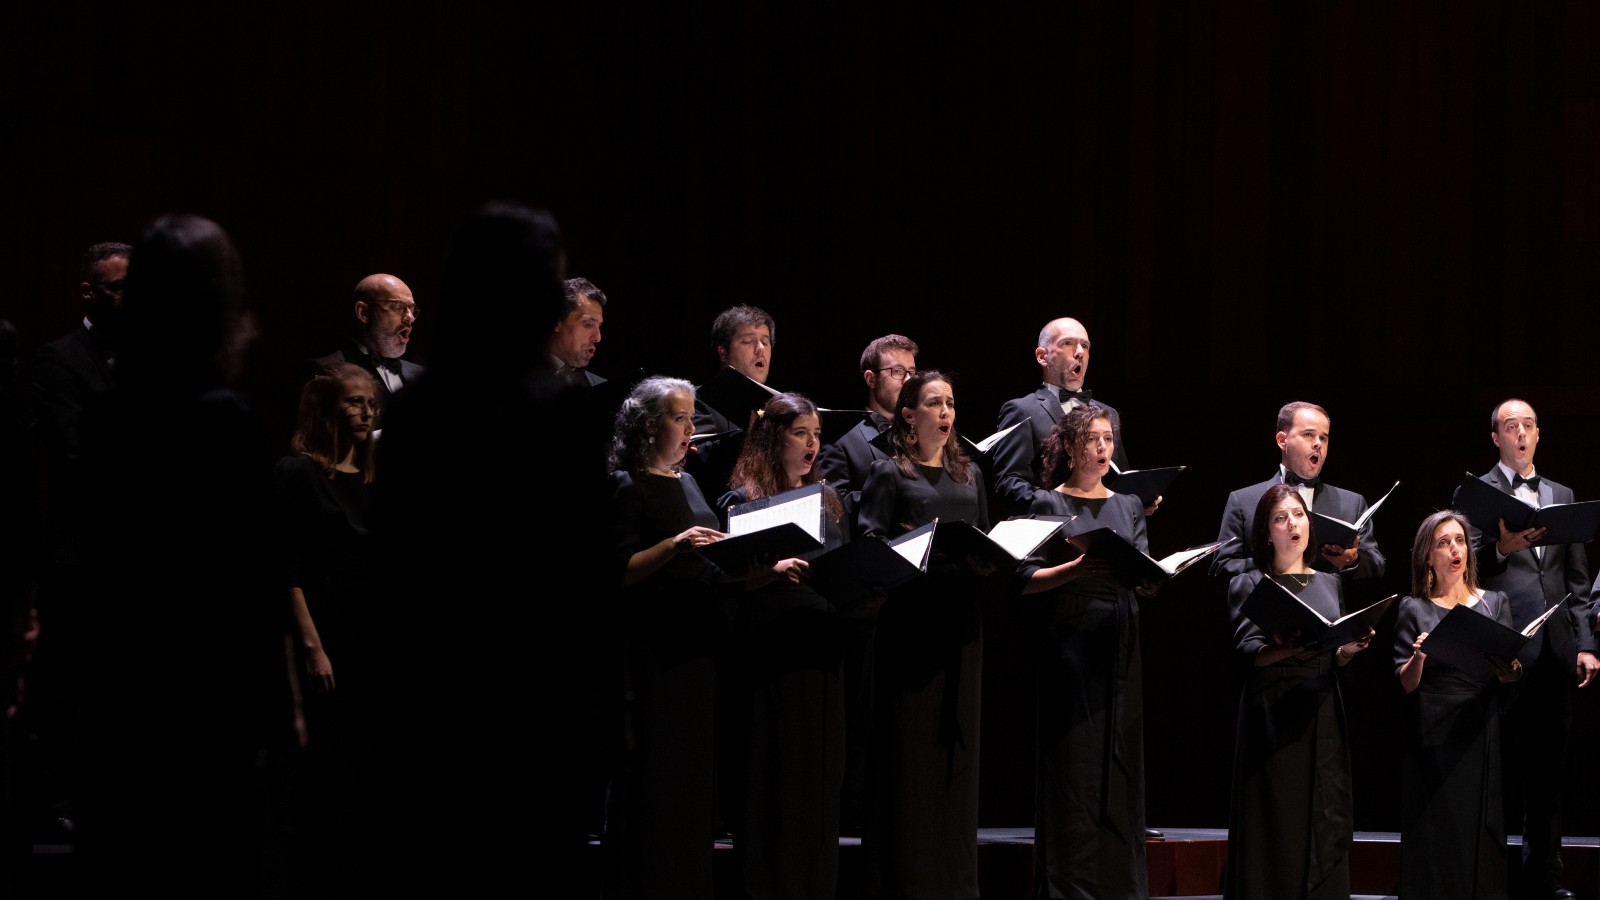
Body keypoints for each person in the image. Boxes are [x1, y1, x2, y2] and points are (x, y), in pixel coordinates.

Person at [76, 214, 293, 896]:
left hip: (124, 691)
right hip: (208, 701)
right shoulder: (224, 417)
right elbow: (254, 580)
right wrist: (277, 708)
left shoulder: (107, 415)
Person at [602, 374, 780, 898]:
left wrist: (760, 570)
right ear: (648, 425)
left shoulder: (688, 481)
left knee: (690, 783)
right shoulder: (626, 483)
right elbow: (617, 572)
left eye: (690, 418)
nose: (689, 428)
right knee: (654, 779)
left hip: (701, 644)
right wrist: (674, 546)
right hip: (655, 649)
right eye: (679, 418)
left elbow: (709, 562)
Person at [856, 370, 993, 900]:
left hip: (959, 622)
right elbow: (869, 542)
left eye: (951, 403)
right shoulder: (890, 472)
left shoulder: (969, 475)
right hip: (910, 624)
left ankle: (953, 882)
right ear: (907, 415)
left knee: (956, 748)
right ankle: (906, 879)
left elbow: (981, 536)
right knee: (911, 753)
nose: (946, 413)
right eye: (934, 403)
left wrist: (985, 562)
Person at [1454, 399, 1598, 900]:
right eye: (1509, 426)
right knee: (1498, 769)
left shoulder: (1561, 494)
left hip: (1556, 653)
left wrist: (1586, 644)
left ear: (1539, 434)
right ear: (1495, 437)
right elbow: (1457, 561)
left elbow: (1577, 581)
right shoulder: (1476, 493)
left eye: (1528, 425)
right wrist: (1500, 550)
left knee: (1547, 773)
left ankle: (1544, 877)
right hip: (1500, 651)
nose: (1520, 433)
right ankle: (1491, 877)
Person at [717, 393, 851, 900]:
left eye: (817, 434)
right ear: (774, 439)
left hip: (821, 652)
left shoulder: (829, 499)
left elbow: (840, 567)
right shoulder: (743, 500)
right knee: (770, 778)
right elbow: (724, 578)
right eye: (801, 433)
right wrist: (764, 572)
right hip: (769, 654)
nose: (813, 443)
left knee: (817, 786)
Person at [1016, 402, 1151, 898]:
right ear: (1070, 447)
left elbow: (1141, 569)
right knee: (1072, 761)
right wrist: (1071, 571)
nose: (1101, 448)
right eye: (1091, 439)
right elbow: (1023, 580)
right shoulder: (1047, 502)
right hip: (1069, 636)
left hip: (1119, 636)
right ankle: (1068, 886)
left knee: (1120, 757)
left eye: (1108, 439)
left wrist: (1152, 580)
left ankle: (1120, 884)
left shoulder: (1129, 504)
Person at [24, 240, 129, 844]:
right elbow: (72, 456)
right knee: (72, 684)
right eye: (120, 287)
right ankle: (62, 798)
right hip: (84, 552)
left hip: (141, 552)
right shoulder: (59, 360)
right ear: (90, 292)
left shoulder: (158, 358)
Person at [1222, 484, 1372, 900]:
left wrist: (1349, 648)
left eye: (1299, 515)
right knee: (1275, 822)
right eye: (1281, 518)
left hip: (1321, 707)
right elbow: (1247, 653)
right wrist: (1285, 648)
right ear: (1266, 532)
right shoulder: (1248, 581)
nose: (1293, 524)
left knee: (1323, 814)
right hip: (1272, 711)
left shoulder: (1330, 582)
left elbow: (1335, 653)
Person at [274, 361, 378, 898]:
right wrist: (313, 648)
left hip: (372, 636)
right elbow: (286, 573)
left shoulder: (375, 477)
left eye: (370, 402)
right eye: (354, 402)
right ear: (326, 407)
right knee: (323, 770)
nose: (366, 412)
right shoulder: (299, 474)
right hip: (326, 632)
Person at [814, 332, 917, 834]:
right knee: (860, 716)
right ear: (872, 379)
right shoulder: (847, 441)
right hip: (868, 594)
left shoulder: (923, 438)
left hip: (912, 597)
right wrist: (888, 500)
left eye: (912, 373)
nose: (907, 381)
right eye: (897, 372)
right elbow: (834, 507)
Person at [1394, 510, 1522, 900]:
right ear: (1428, 557)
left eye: (1460, 540)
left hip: (1479, 727)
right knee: (1437, 834)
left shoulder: (1495, 603)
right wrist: (1419, 657)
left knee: (1476, 830)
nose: (1455, 549)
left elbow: (1512, 672)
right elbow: (1404, 683)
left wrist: (1511, 671)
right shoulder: (1414, 609)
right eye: (1443, 543)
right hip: (1433, 734)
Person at [1211, 401, 1386, 588]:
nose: (1318, 443)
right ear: (1282, 440)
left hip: (1330, 611)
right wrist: (1275, 561)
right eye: (1308, 434)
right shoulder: (1243, 501)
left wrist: (1353, 561)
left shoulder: (1352, 503)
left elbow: (1377, 566)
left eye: (1324, 438)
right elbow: (1221, 568)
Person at [993, 317, 1139, 519]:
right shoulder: (1022, 410)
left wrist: (1136, 501)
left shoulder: (1108, 414)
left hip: (1105, 527)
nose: (1080, 352)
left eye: (1085, 346)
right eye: (1067, 343)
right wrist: (1058, 504)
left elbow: (1118, 477)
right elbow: (1009, 485)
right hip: (1051, 534)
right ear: (1042, 356)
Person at [686, 304, 776, 495]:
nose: (760, 349)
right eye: (747, 341)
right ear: (723, 352)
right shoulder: (699, 399)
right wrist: (752, 435)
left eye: (765, 342)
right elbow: (698, 458)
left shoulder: (777, 406)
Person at [307, 273, 422, 416]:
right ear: (363, 312)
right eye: (398, 307)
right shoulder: (326, 370)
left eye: (412, 310)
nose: (410, 318)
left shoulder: (421, 375)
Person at [551, 276, 606, 385]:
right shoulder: (516, 379)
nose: (598, 338)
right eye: (588, 324)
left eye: (599, 326)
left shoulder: (601, 387)